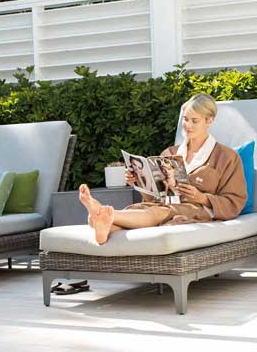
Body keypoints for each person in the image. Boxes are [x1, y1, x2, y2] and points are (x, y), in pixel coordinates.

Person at [79, 93, 247, 245]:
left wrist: (202, 197)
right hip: (163, 205)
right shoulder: (170, 153)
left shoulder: (227, 157)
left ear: (209, 120)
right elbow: (154, 196)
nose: (188, 125)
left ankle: (104, 213)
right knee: (134, 212)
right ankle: (102, 225)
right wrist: (138, 183)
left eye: (194, 121)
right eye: (185, 119)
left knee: (159, 213)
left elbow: (235, 202)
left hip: (197, 210)